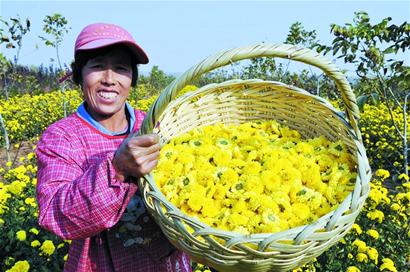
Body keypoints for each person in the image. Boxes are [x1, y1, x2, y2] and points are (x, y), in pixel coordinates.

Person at [36, 22, 191, 272]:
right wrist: (117, 169)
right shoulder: (61, 137)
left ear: (131, 78)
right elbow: (55, 215)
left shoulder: (154, 126)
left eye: (121, 68)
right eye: (97, 66)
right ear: (79, 73)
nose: (109, 80)